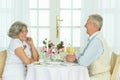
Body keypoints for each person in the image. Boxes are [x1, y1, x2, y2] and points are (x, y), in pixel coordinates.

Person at [66, 14, 111, 80]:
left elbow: (83, 62)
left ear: (94, 26)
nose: (85, 25)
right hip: (95, 76)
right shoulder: (95, 39)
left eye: (87, 23)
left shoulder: (96, 42)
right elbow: (83, 56)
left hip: (99, 78)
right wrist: (75, 58)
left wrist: (74, 59)